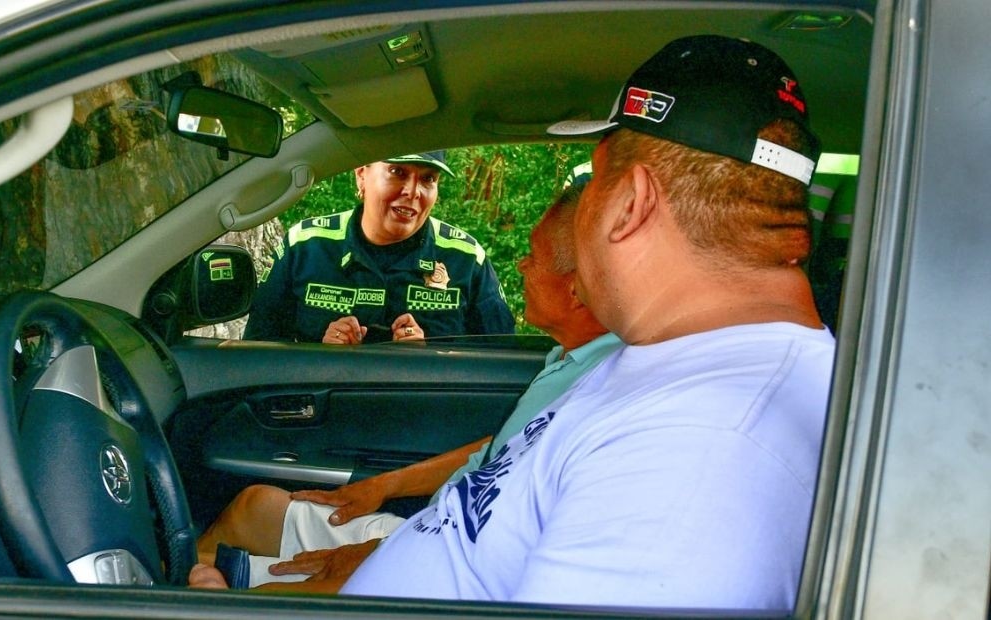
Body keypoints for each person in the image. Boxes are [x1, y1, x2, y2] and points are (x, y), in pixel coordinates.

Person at [331, 34, 834, 610]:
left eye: (592, 181)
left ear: (632, 202)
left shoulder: (702, 452)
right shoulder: (667, 358)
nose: (581, 208)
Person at [190, 185, 623, 590]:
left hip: (451, 562)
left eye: (534, 257)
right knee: (253, 508)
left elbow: (509, 542)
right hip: (434, 528)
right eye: (397, 172)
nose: (522, 265)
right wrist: (382, 486)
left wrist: (379, 555)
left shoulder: (603, 385)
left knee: (218, 589)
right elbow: (499, 451)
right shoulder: (567, 360)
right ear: (362, 179)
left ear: (576, 291)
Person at [243, 151, 514, 344]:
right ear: (362, 176)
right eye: (398, 172)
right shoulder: (306, 245)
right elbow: (258, 352)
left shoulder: (465, 258)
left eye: (428, 179)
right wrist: (319, 355)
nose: (413, 191)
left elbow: (499, 363)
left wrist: (432, 358)